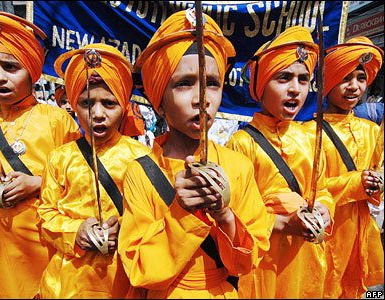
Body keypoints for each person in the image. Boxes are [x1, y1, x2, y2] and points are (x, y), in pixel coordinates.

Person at [118, 9, 270, 299]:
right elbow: (140, 269)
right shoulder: (140, 172)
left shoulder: (238, 166)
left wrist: (225, 216)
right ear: (159, 102)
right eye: (184, 83)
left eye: (212, 83)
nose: (202, 98)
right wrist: (182, 214)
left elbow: (247, 262)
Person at [0, 11, 82, 299]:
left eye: (10, 67)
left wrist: (37, 184)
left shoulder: (58, 121)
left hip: (46, 259)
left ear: (32, 69)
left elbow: (79, 182)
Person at [226, 26, 335, 299]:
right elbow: (235, 213)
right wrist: (285, 222)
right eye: (283, 78)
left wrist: (323, 208)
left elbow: (321, 188)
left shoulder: (310, 137)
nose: (295, 90)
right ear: (261, 84)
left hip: (308, 257)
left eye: (302, 79)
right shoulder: (241, 143)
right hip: (264, 264)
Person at [37, 43, 151, 299]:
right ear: (74, 105)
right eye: (87, 103)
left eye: (109, 103)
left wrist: (123, 228)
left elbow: (153, 218)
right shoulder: (59, 158)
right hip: (66, 283)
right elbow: (44, 217)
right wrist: (75, 231)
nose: (98, 114)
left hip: (122, 279)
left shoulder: (142, 157)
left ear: (124, 105)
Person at [303, 36, 384, 299]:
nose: (354, 87)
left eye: (361, 78)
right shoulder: (307, 133)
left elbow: (378, 178)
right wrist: (357, 183)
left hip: (363, 236)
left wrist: (377, 183)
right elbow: (308, 190)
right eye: (345, 78)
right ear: (327, 82)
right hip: (327, 234)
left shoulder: (373, 131)